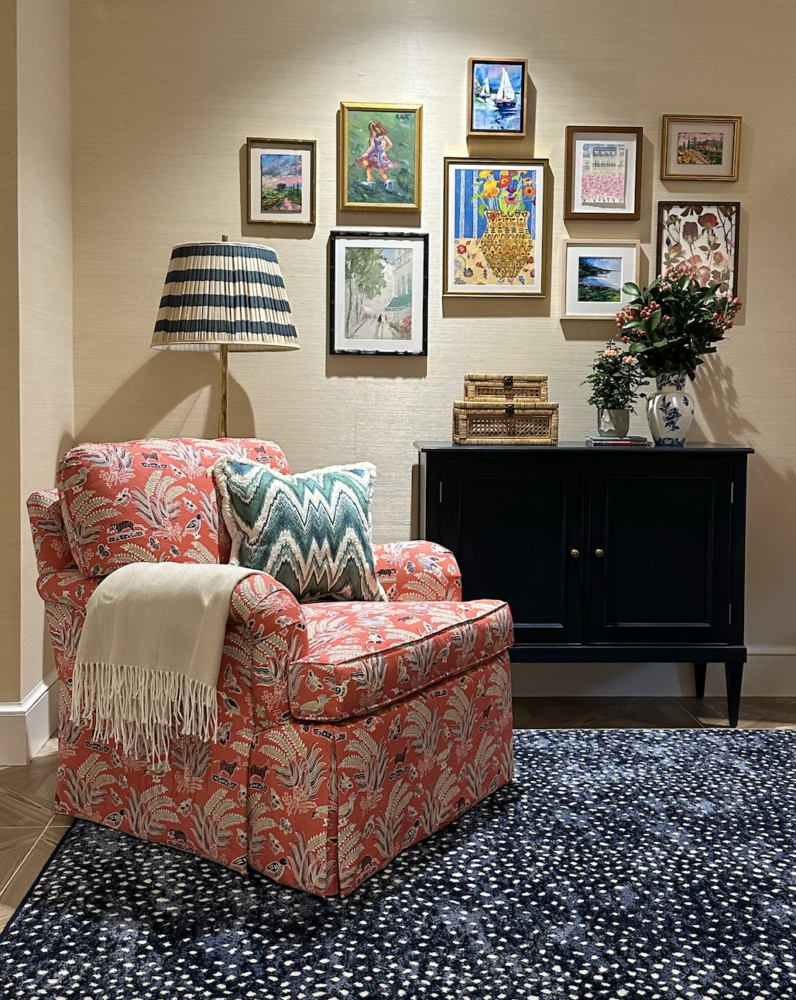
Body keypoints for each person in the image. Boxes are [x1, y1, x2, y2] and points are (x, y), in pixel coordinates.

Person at [356, 120, 397, 192]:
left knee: (369, 169)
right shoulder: (384, 136)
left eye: (372, 130)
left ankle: (370, 182)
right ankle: (388, 182)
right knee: (382, 172)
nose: (373, 132)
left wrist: (366, 153)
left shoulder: (373, 137)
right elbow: (390, 145)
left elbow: (372, 146)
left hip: (373, 156)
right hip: (382, 157)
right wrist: (384, 151)